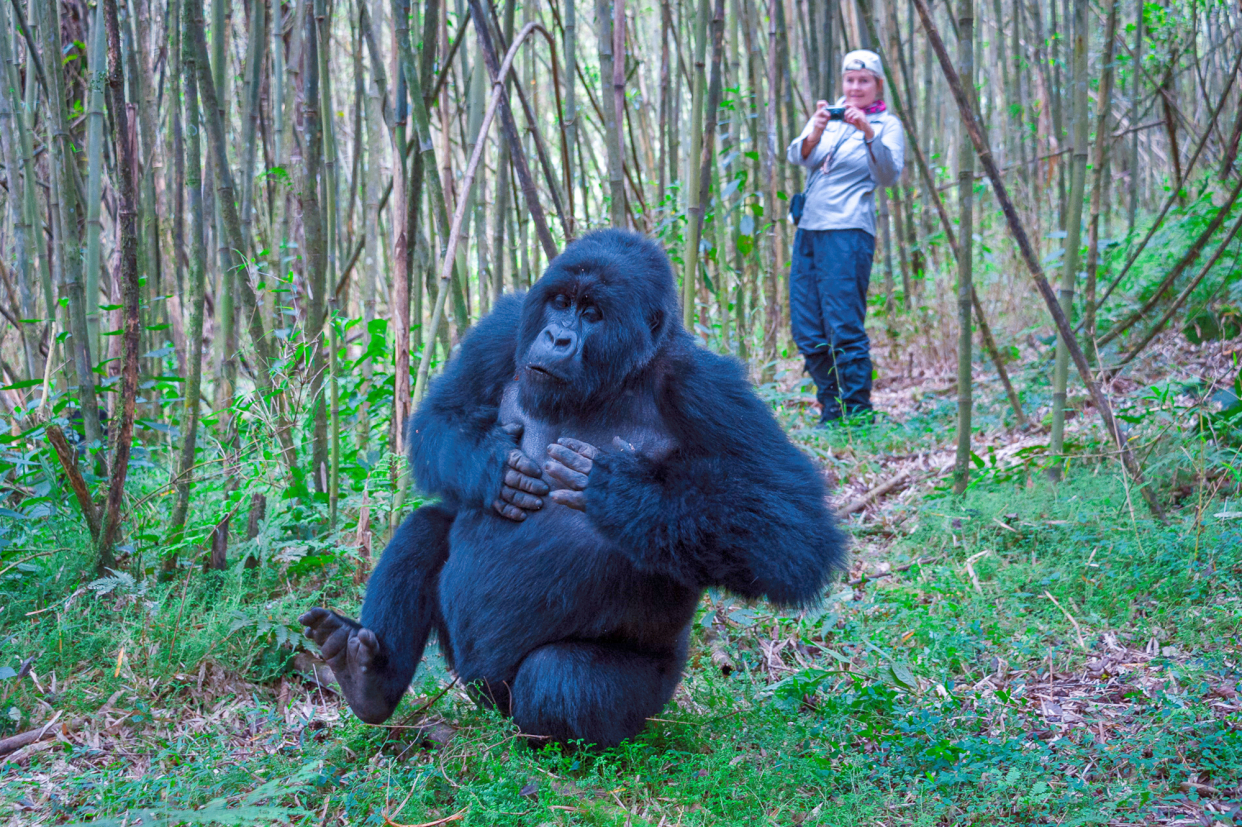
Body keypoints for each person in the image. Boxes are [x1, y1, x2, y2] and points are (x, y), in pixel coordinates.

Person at [786, 49, 904, 426]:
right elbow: (799, 155)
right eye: (850, 80)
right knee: (807, 328)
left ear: (877, 85)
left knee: (843, 326)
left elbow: (888, 175)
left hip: (848, 232)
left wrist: (868, 133)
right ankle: (831, 408)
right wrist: (818, 127)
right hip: (809, 230)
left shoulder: (888, 125)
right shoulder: (830, 117)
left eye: (864, 81)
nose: (855, 88)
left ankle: (857, 412)